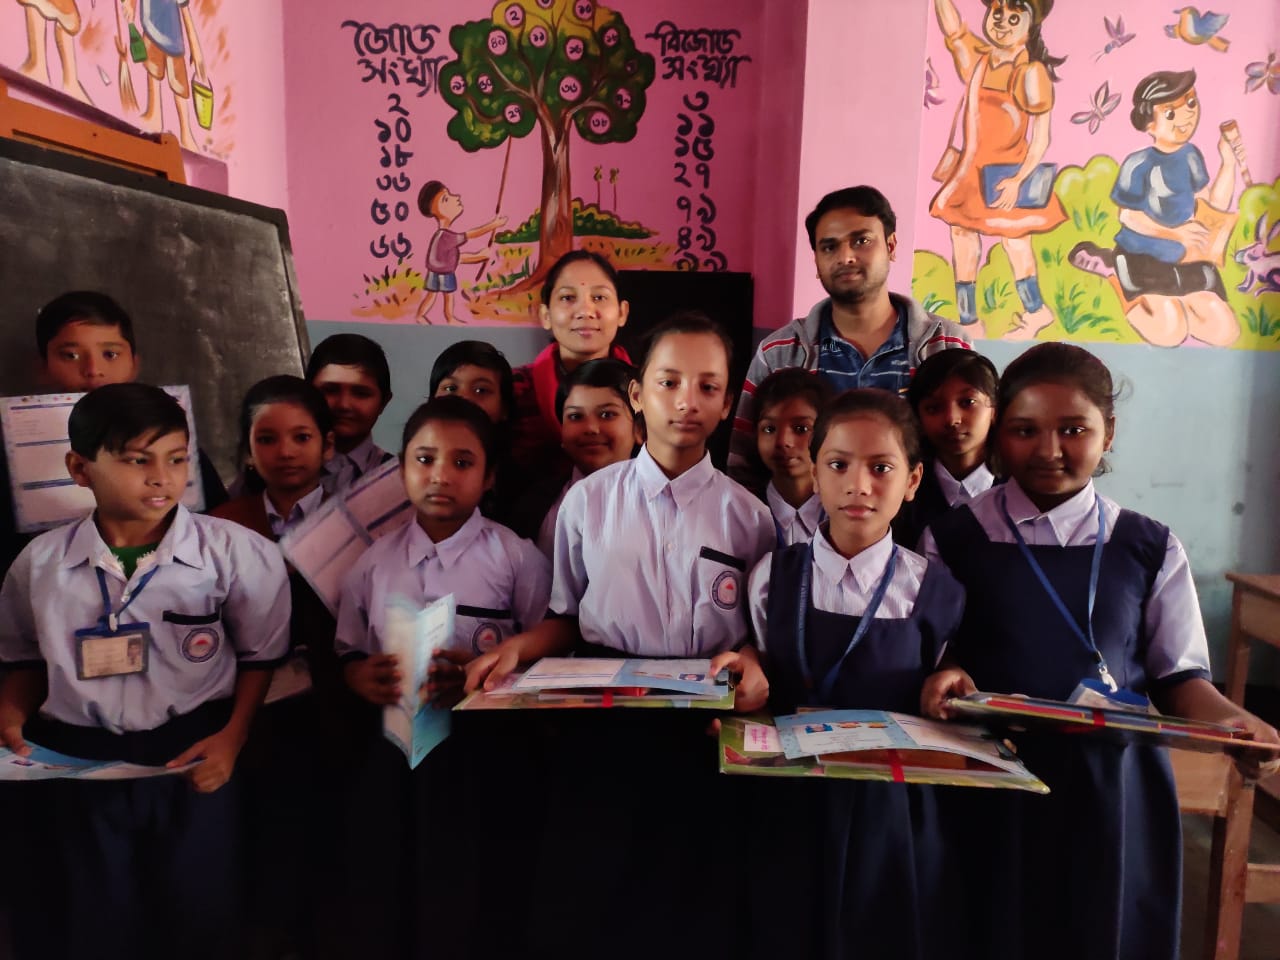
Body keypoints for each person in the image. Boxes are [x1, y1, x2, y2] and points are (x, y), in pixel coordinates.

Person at [919, 342, 1280, 960]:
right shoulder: (953, 538)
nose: (1049, 449)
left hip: (1110, 791)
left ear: (1108, 432)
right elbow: (932, 655)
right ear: (1000, 433)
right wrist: (944, 675)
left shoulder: (1148, 546)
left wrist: (1233, 722)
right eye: (1025, 430)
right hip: (989, 783)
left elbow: (1178, 677)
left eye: (1074, 429)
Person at [464, 312, 774, 957]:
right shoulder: (588, 502)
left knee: (690, 893)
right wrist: (515, 650)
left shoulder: (749, 517)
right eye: (669, 382)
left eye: (708, 387)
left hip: (702, 727)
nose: (686, 401)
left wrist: (751, 665)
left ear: (726, 404)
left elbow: (754, 634)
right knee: (593, 891)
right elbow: (567, 617)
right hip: (603, 724)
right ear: (637, 394)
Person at [0, 382, 290, 960]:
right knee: (95, 916)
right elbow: (25, 657)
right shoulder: (41, 563)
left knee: (197, 916)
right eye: (138, 461)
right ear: (80, 469)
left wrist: (232, 738)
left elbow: (260, 658)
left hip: (193, 755)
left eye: (176, 459)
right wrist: (10, 713)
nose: (162, 478)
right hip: (80, 764)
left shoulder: (234, 553)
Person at [746, 389, 964, 960]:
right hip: (787, 802)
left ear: (913, 480)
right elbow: (760, 670)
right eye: (839, 464)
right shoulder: (771, 576)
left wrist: (949, 688)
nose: (858, 485)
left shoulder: (935, 589)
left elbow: (942, 686)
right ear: (815, 472)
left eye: (881, 468)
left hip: (890, 812)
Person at [333, 395, 550, 957]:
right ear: (401, 468)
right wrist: (358, 677)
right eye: (424, 459)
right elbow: (348, 651)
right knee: (392, 876)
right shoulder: (373, 562)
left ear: (489, 475)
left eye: (462, 462)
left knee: (474, 881)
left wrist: (487, 678)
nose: (440, 476)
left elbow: (545, 653)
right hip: (395, 751)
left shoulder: (516, 558)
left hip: (483, 753)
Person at [210, 375, 339, 958]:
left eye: (301, 437)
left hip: (337, 709)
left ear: (328, 445)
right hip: (250, 711)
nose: (285, 451)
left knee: (328, 834)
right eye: (268, 439)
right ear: (248, 449)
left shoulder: (357, 521)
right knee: (262, 835)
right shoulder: (222, 524)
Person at [730, 186, 971, 488]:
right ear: (816, 261)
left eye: (861, 241)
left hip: (924, 516)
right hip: (803, 517)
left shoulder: (947, 344)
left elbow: (975, 455)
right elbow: (742, 461)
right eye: (829, 247)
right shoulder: (779, 352)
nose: (845, 257)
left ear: (891, 246)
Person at [1070, 69, 1242, 347]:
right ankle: (1114, 273)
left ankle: (1179, 301)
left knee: (1224, 331)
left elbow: (1211, 205)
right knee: (1169, 333)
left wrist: (1229, 163)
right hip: (1143, 257)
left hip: (1189, 258)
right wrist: (1176, 234)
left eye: (1191, 103)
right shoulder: (1138, 164)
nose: (1187, 117)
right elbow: (1128, 216)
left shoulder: (1191, 156)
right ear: (1149, 125)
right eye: (1171, 113)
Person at [928, 0, 1068, 338]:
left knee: (1015, 242)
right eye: (998, 13)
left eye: (1014, 17)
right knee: (962, 238)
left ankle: (1036, 311)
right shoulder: (979, 60)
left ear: (1031, 24)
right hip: (970, 170)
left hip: (1007, 174)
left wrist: (1018, 179)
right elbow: (954, 30)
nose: (1003, 22)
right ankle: (968, 320)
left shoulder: (1031, 73)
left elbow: (1041, 139)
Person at [510, 251, 633, 483]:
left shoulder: (648, 391)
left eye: (599, 297)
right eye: (567, 298)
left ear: (622, 312)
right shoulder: (512, 389)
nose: (585, 311)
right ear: (545, 315)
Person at [534, 357, 639, 559]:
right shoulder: (535, 505)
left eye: (607, 414)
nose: (590, 428)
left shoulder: (664, 501)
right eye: (575, 417)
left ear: (639, 429)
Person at [893, 349, 999, 547]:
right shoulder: (904, 492)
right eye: (934, 408)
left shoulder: (1020, 487)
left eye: (968, 402)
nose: (952, 419)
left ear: (995, 409)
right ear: (918, 418)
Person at [751, 368, 833, 547]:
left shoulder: (844, 513)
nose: (783, 442)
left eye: (801, 429)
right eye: (769, 429)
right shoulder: (741, 513)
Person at [306, 333, 394, 495]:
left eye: (361, 393)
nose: (344, 405)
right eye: (330, 390)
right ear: (306, 394)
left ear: (384, 402)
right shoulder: (275, 472)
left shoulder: (403, 479)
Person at [414, 181, 507, 325]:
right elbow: (471, 235)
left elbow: (457, 259)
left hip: (437, 271)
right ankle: (447, 318)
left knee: (433, 295)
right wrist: (493, 225)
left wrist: (480, 256)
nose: (456, 197)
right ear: (436, 211)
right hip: (443, 272)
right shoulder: (446, 237)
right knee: (446, 296)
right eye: (446, 199)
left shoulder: (443, 237)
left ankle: (425, 316)